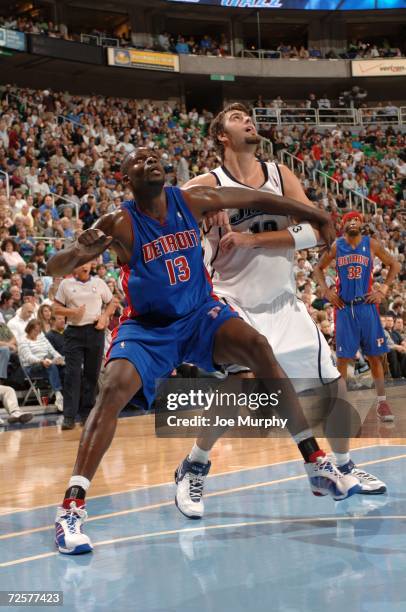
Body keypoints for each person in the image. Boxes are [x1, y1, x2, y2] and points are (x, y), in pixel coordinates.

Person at [46, 146, 358, 556]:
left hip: (198, 315)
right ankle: (71, 507)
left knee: (258, 348)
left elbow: (258, 198)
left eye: (154, 157)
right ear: (127, 179)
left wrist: (314, 213)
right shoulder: (118, 222)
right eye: (138, 161)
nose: (150, 161)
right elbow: (56, 265)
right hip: (150, 328)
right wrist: (76, 250)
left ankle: (314, 461)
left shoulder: (190, 200)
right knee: (112, 390)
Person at [174, 103, 386, 521]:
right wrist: (200, 208)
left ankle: (341, 466)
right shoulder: (206, 183)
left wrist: (252, 240)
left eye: (250, 116)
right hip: (231, 298)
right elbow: (167, 219)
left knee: (334, 388)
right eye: (237, 117)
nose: (248, 120)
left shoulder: (279, 174)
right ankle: (193, 465)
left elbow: (313, 230)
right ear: (221, 135)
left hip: (283, 300)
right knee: (244, 384)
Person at [314, 211, 400, 422]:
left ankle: (382, 403)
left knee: (374, 357)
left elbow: (395, 265)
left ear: (362, 224)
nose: (353, 222)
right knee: (343, 359)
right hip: (344, 308)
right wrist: (326, 290)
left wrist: (383, 289)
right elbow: (318, 268)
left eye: (356, 220)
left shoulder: (371, 244)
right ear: (343, 225)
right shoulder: (337, 246)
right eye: (348, 220)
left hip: (367, 307)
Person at [53, 263, 116, 430]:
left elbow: (112, 303)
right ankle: (69, 416)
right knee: (72, 374)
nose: (84, 267)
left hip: (95, 331)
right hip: (74, 332)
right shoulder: (66, 284)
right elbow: (55, 308)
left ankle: (87, 414)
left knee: (92, 375)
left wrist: (104, 317)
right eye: (81, 264)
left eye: (87, 263)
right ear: (74, 267)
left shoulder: (99, 283)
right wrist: (72, 313)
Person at [18, 319, 64, 412]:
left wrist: (59, 358)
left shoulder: (42, 337)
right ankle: (58, 395)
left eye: (39, 331)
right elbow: (29, 357)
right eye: (35, 330)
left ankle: (68, 396)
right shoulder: (23, 341)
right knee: (51, 366)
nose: (37, 333)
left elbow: (52, 351)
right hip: (31, 367)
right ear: (29, 329)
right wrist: (41, 361)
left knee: (65, 367)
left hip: (46, 362)